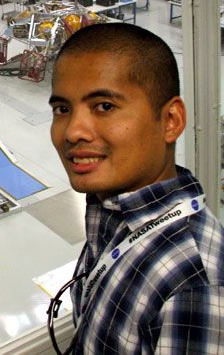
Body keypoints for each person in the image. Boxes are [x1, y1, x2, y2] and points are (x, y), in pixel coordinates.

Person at [49, 23, 224, 354]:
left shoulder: (194, 285)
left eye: (104, 106)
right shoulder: (113, 216)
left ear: (171, 120)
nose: (73, 131)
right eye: (62, 109)